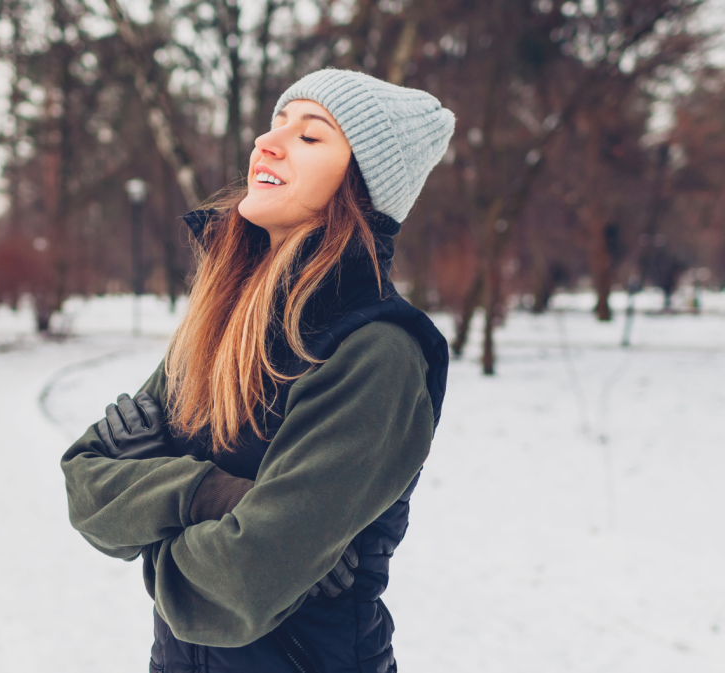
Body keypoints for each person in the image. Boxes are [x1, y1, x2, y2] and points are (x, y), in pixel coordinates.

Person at [61, 68, 455, 673]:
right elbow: (86, 483)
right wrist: (216, 497)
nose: (265, 144)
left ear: (363, 185)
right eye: (276, 124)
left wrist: (152, 519)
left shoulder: (374, 351)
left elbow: (234, 588)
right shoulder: (223, 322)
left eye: (311, 136)